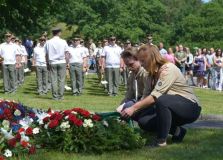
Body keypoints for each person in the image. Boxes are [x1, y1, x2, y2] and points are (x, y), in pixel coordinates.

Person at [121, 45, 201, 147]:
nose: (141, 64)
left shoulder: (168, 69)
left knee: (161, 100)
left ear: (151, 59)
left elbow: (155, 96)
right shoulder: (150, 74)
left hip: (190, 107)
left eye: (143, 61)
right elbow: (146, 96)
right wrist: (130, 110)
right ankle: (178, 131)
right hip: (170, 107)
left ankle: (161, 141)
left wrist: (133, 107)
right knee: (143, 121)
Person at [45, 28, 69, 100]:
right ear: (59, 33)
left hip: (52, 62)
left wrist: (47, 63)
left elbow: (46, 54)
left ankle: (55, 96)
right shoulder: (63, 41)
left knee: (53, 80)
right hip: (62, 62)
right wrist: (67, 62)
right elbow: (67, 53)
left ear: (53, 33)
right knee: (61, 80)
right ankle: (61, 96)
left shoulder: (48, 42)